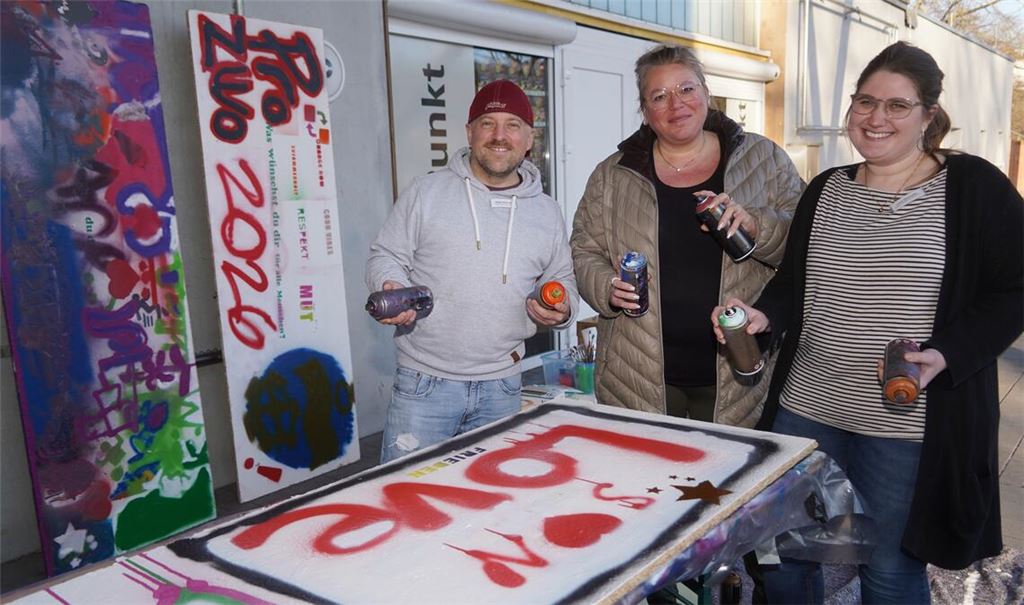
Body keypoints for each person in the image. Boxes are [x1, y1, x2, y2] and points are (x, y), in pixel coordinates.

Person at [713, 42, 1023, 603]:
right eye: (865, 102)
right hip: (807, 409)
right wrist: (765, 317)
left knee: (887, 571)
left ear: (929, 115)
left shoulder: (973, 187)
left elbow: (1015, 291)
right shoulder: (826, 188)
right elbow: (793, 283)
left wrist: (949, 351)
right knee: (785, 560)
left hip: (903, 425)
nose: (876, 118)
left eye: (897, 106)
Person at [570, 44, 803, 427]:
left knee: (728, 484)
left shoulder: (764, 159)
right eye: (659, 96)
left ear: (706, 93)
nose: (675, 104)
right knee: (645, 481)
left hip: (738, 374)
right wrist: (606, 287)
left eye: (686, 89)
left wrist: (758, 226)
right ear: (645, 112)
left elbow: (804, 241)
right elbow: (584, 248)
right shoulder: (613, 174)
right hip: (638, 377)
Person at [366, 80, 578, 464]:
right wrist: (389, 282)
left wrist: (562, 310)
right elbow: (386, 254)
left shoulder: (547, 212)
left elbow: (563, 279)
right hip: (423, 386)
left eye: (513, 124)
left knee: (489, 507)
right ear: (469, 132)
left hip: (504, 387)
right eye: (487, 123)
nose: (500, 136)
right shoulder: (426, 192)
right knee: (408, 505)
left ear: (530, 138)